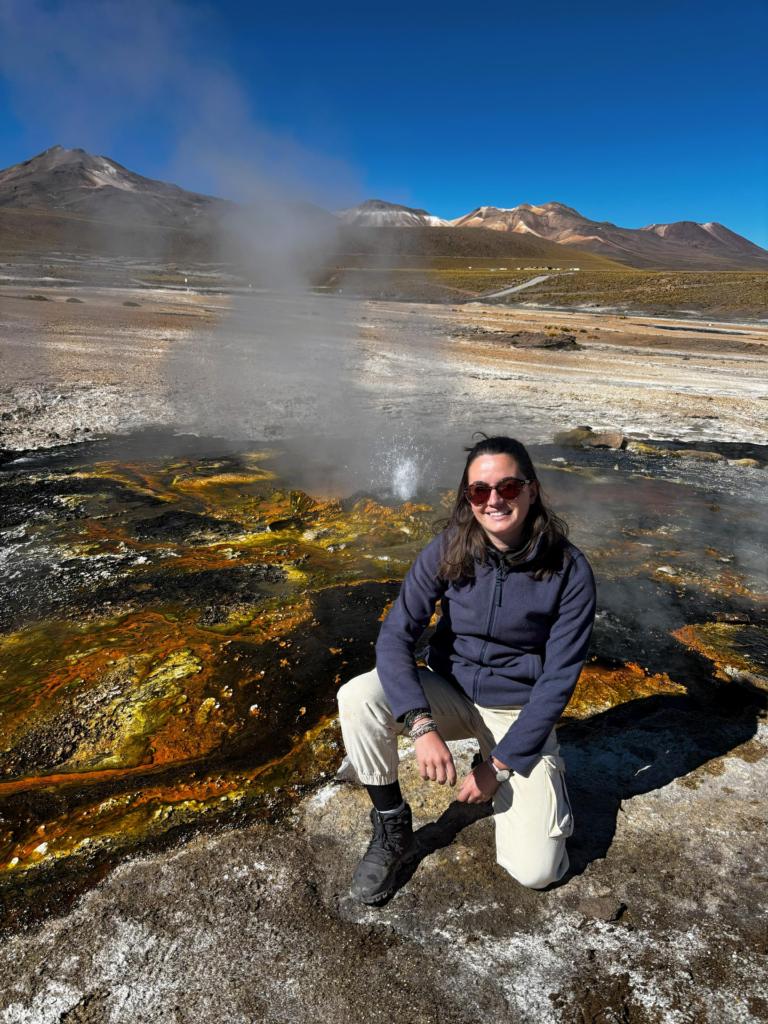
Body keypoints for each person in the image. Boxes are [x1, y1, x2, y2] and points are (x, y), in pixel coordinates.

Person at [336, 435, 596, 904]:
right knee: (358, 697)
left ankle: (501, 763)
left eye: (508, 487)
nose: (494, 500)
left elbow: (558, 681)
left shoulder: (569, 570)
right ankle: (392, 825)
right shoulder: (449, 548)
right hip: (450, 692)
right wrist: (420, 722)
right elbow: (395, 636)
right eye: (479, 491)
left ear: (531, 490)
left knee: (537, 871)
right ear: (468, 498)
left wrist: (498, 767)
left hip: (516, 710)